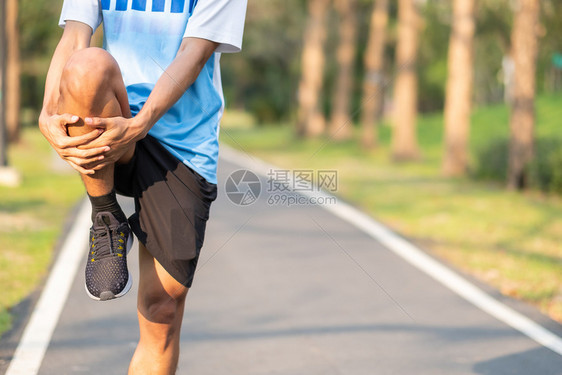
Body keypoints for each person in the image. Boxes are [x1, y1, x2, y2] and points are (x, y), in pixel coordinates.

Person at [38, 0, 247, 373]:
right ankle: (105, 217)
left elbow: (194, 51)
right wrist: (46, 113)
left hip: (181, 141)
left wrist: (141, 124)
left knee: (162, 308)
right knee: (88, 64)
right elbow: (74, 37)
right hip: (109, 113)